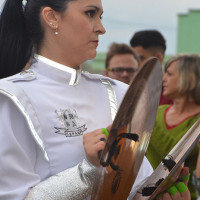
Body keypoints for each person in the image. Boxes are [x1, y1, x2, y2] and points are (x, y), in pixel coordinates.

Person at [0, 0, 190, 200]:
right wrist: (88, 171)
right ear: (52, 18)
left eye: (101, 16)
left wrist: (157, 193)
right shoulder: (12, 97)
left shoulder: (119, 92)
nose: (101, 28)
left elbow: (134, 185)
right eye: (90, 13)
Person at [146, 54, 200, 200]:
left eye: (169, 74)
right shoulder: (157, 111)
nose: (163, 79)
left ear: (189, 78)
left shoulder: (152, 113)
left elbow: (172, 152)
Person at [129, 29, 173, 105]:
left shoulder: (173, 93)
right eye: (134, 59)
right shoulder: (128, 86)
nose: (135, 64)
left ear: (158, 58)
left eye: (141, 58)